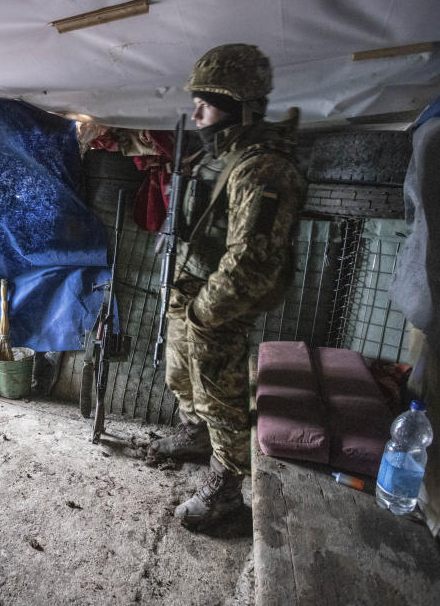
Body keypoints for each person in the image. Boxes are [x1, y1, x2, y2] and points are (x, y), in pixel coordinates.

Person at [147, 44, 307, 530]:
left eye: (207, 102)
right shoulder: (229, 156)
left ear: (241, 108)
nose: (196, 112)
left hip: (219, 304)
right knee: (181, 373)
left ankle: (226, 490)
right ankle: (195, 434)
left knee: (222, 395)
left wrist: (203, 313)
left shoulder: (264, 167)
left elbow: (251, 263)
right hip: (194, 285)